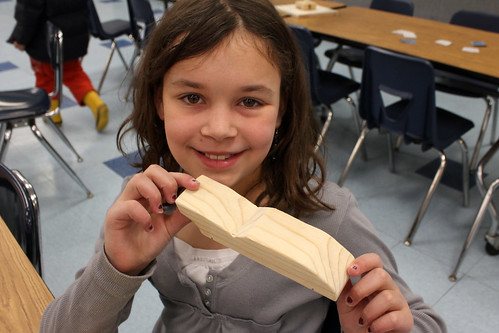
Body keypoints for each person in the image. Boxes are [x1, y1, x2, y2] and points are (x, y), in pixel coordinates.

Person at [40, 0, 447, 332]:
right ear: (159, 100)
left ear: (282, 108)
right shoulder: (145, 204)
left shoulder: (328, 216)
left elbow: (422, 320)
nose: (219, 129)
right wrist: (115, 269)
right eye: (192, 98)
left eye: (250, 102)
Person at [8, 0, 109, 132]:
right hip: (74, 36)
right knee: (74, 74)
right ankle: (96, 104)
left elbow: (28, 14)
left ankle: (54, 115)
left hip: (45, 40)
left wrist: (20, 39)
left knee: (45, 77)